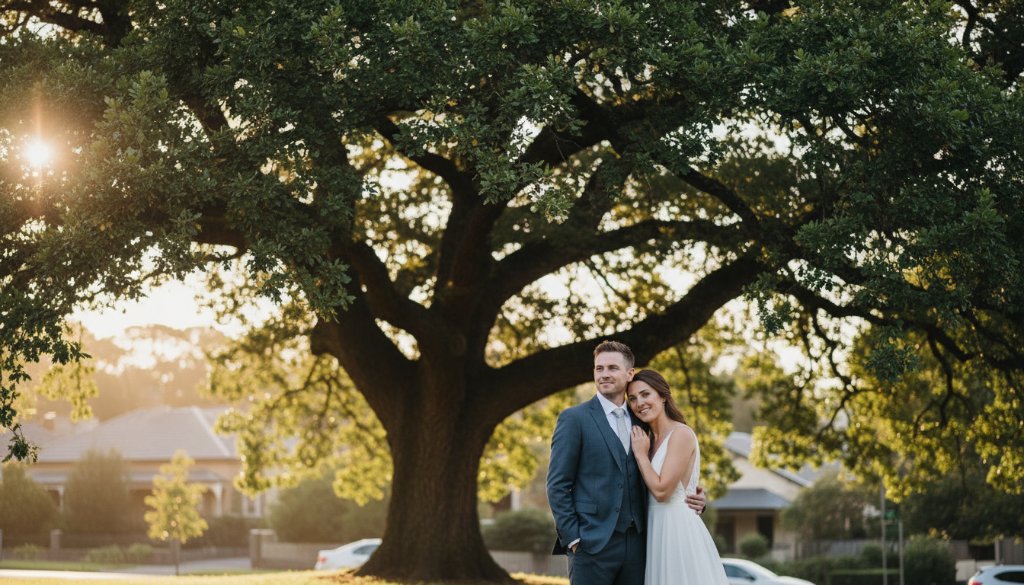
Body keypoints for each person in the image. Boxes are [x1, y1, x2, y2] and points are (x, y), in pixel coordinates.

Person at [547, 341, 707, 585]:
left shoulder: (644, 419)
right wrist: (573, 539)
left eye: (612, 367)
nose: (604, 374)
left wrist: (693, 497)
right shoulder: (574, 419)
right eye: (599, 369)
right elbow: (558, 484)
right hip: (591, 544)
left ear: (629, 373)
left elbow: (669, 469)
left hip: (640, 545)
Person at [627, 369, 729, 585]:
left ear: (663, 396)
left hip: (677, 530)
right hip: (653, 530)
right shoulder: (646, 439)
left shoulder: (681, 434)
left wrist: (640, 455)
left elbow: (663, 491)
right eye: (633, 398)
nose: (639, 403)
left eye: (646, 394)